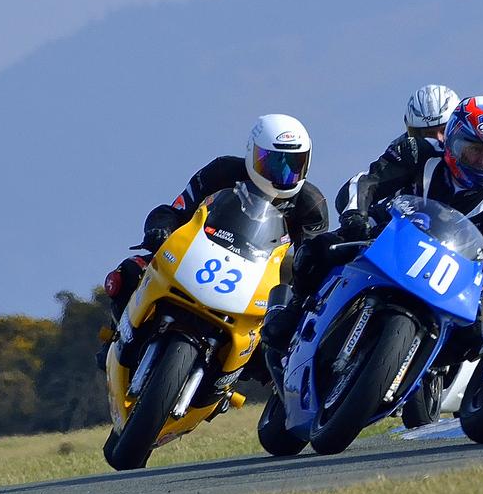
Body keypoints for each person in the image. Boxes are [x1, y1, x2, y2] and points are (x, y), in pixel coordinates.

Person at [261, 94, 483, 359]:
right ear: (453, 139)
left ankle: (430, 376)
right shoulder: (419, 151)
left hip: (446, 272)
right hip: (388, 234)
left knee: (477, 334)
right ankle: (295, 309)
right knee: (317, 251)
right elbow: (366, 183)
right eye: (475, 149)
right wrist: (355, 216)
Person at [98, 113, 329, 373]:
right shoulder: (221, 171)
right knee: (129, 271)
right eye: (274, 162)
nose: (283, 173)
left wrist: (289, 306)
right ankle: (118, 334)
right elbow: (176, 210)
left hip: (257, 284)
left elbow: (309, 265)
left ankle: (258, 396)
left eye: (293, 163)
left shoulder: (312, 206)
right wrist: (160, 230)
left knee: (284, 341)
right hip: (197, 256)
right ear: (252, 154)